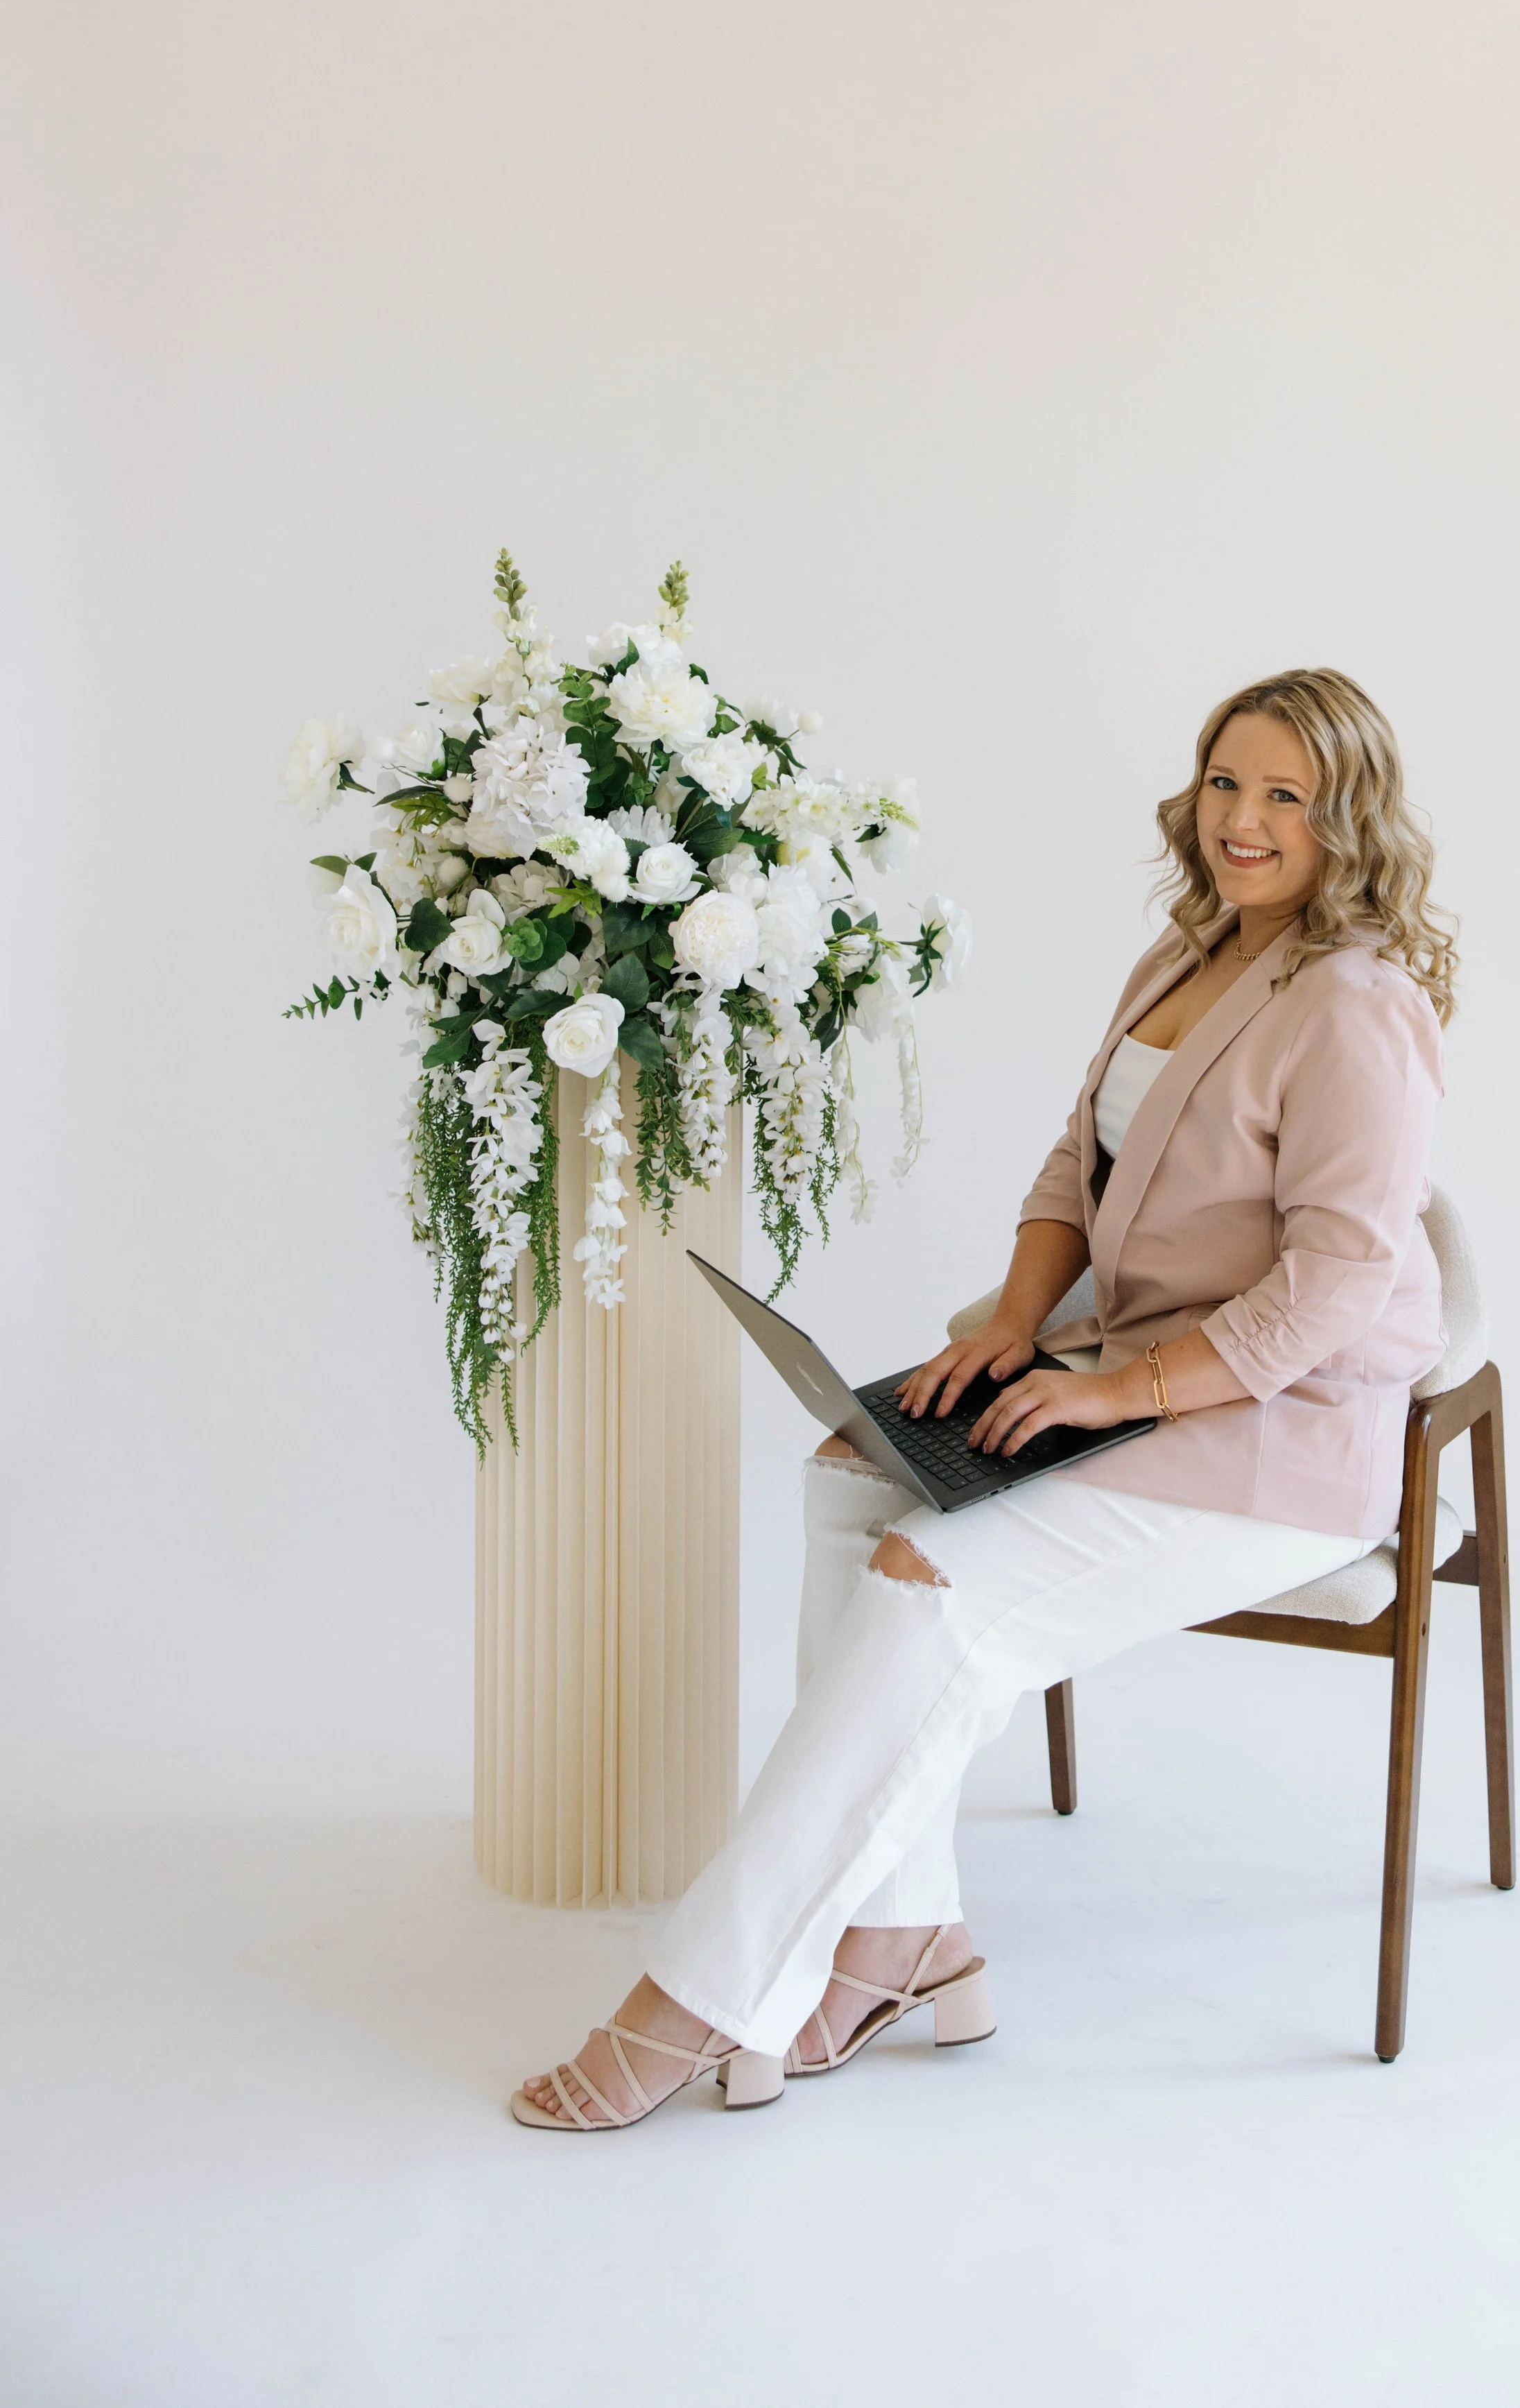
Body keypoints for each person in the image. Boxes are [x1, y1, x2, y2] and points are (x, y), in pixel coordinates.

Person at [512, 666, 1458, 2131]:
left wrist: (1118, 1387)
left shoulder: (1357, 1006)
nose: (1243, 820)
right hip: (1128, 1374)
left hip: (1278, 1433)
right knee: (849, 1468)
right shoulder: (1179, 952)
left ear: (1348, 817)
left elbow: (1334, 1282)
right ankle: (900, 1937)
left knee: (922, 1583)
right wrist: (1018, 1328)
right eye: (1224, 781)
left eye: (1285, 794)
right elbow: (1067, 1169)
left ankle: (697, 1995)